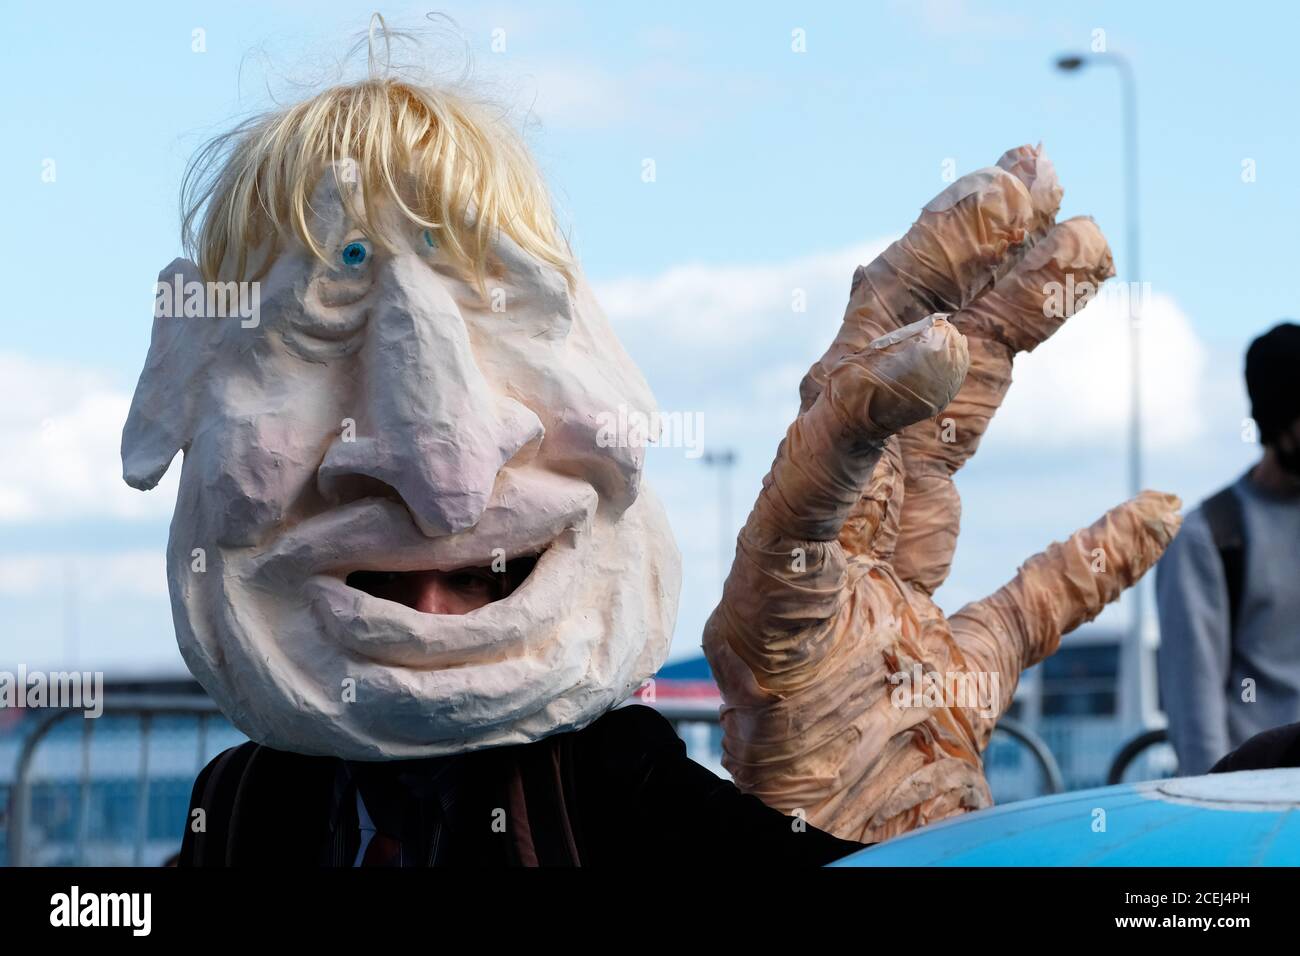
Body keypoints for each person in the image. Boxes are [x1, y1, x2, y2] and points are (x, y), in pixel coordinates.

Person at [123, 23, 1178, 864]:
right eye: (318, 323)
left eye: (502, 314)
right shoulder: (249, 810)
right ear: (172, 389)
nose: (442, 479)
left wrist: (879, 823)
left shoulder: (615, 797)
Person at [1157, 322, 1300, 775]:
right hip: (1255, 810)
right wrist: (1218, 825)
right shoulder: (1211, 537)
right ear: (1280, 425)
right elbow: (1196, 723)